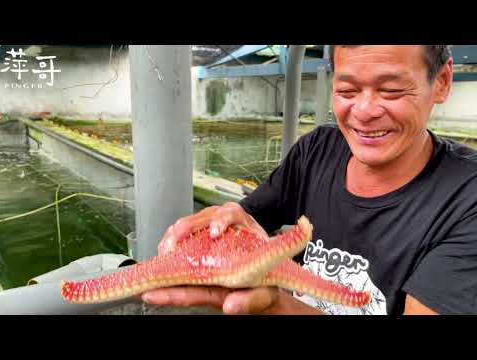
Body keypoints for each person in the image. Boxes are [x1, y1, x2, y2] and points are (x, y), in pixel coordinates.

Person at [141, 45, 477, 315]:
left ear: (442, 81)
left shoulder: (466, 197)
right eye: (347, 90)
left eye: (390, 90)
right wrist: (220, 226)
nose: (364, 111)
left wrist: (278, 305)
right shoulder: (316, 151)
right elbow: (246, 221)